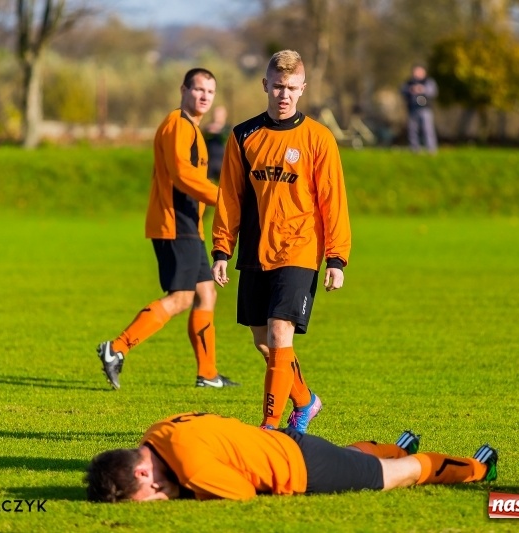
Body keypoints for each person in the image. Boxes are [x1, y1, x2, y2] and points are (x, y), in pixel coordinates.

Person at [211, 50, 351, 432]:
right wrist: (222, 249)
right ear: (265, 86)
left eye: (291, 88)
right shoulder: (243, 135)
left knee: (278, 333)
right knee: (265, 342)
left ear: (302, 89)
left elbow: (333, 201)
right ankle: (305, 400)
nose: (284, 94)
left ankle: (270, 428)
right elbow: (230, 196)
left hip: (301, 249)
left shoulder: (319, 138)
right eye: (277, 86)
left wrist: (336, 258)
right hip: (256, 252)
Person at [96, 68, 239, 390]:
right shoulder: (178, 125)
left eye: (210, 92)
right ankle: (116, 348)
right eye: (198, 89)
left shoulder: (193, 129)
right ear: (183, 90)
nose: (204, 96)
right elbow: (182, 175)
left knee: (206, 293)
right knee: (181, 298)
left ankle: (208, 373)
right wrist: (224, 199)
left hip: (189, 225)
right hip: (174, 223)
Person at [84, 412, 498, 502]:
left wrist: (183, 494)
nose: (160, 498)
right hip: (286, 443)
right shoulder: (157, 431)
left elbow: (242, 494)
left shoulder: (191, 471)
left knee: (401, 474)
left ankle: (480, 467)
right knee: (353, 459)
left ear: (142, 471)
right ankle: (395, 444)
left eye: (151, 496)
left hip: (301, 469)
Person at [400, 65, 438, 153]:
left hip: (425, 109)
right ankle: (415, 149)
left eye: (419, 71)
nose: (417, 74)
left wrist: (422, 89)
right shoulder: (409, 83)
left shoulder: (428, 82)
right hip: (413, 108)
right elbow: (402, 91)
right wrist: (411, 89)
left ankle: (431, 149)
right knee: (413, 129)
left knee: (427, 129)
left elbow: (433, 91)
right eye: (415, 72)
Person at [203, 105, 230, 182]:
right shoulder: (207, 129)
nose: (216, 117)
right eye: (215, 114)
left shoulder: (228, 129)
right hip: (210, 164)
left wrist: (218, 131)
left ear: (225, 115)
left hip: (223, 164)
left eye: (219, 114)